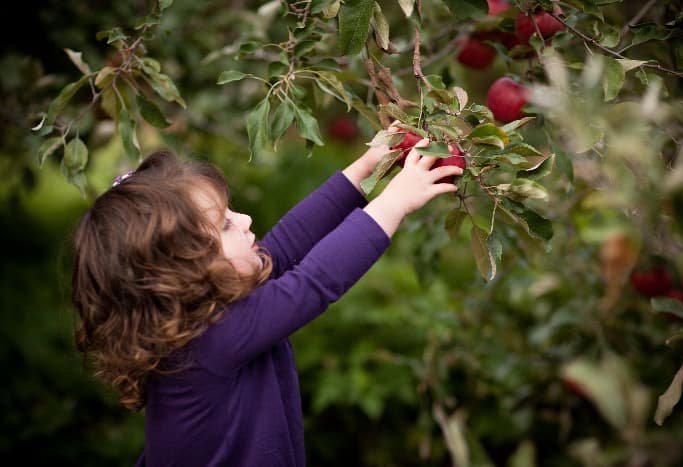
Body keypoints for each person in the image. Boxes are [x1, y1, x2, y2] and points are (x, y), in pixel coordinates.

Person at [71, 136, 463, 466]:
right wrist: (396, 200)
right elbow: (313, 283)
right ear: (180, 270)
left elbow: (287, 244)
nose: (244, 220)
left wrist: (364, 168)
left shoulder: (206, 310)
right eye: (225, 224)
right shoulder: (210, 339)